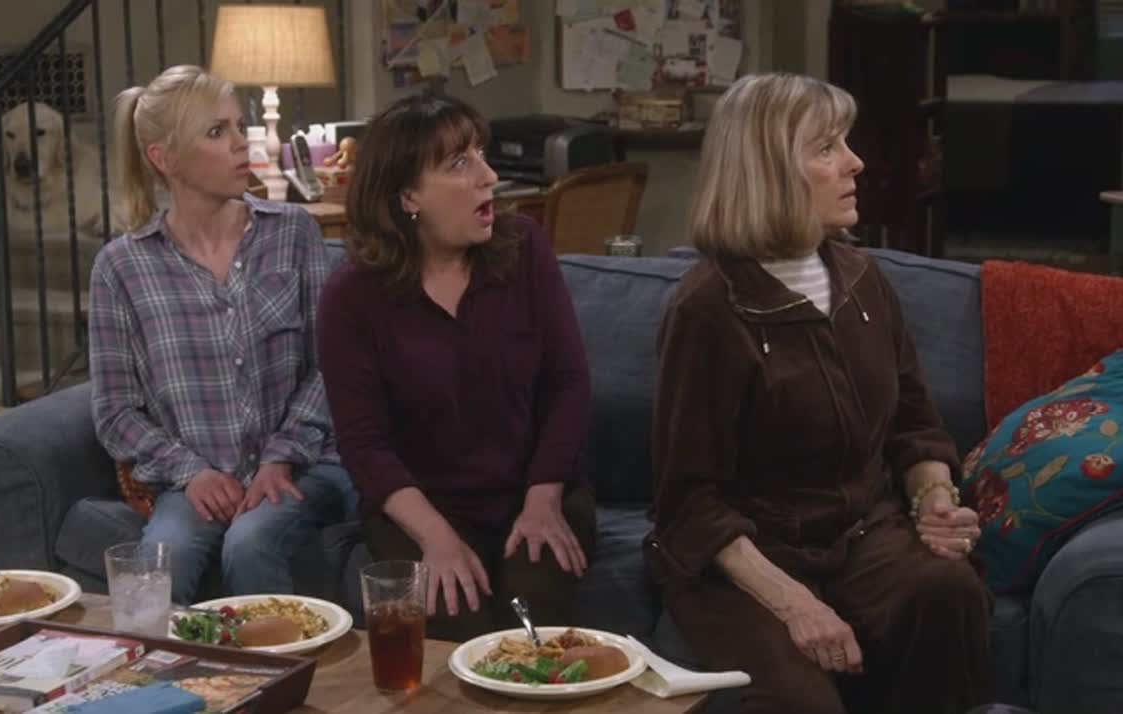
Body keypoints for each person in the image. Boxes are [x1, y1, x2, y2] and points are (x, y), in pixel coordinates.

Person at [647, 73, 992, 714]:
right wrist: (795, 605)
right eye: (827, 147)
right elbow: (688, 503)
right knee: (805, 704)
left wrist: (935, 501)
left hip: (864, 536)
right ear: (770, 171)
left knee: (951, 594)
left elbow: (916, 425)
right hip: (749, 560)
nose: (855, 162)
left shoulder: (863, 278)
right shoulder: (707, 310)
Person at [316, 93, 595, 642]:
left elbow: (568, 383)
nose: (489, 177)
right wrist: (437, 538)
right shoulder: (351, 298)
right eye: (461, 163)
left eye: (482, 156)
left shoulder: (525, 250)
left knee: (531, 623)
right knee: (452, 620)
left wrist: (544, 499)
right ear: (408, 196)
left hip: (533, 493)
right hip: (420, 507)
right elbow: (364, 445)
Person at [90, 65, 355, 605]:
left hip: (305, 467)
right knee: (158, 567)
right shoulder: (121, 267)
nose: (241, 143)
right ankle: (157, 664)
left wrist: (280, 456)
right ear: (164, 159)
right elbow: (116, 411)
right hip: (195, 481)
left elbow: (333, 366)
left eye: (239, 125)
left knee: (250, 543)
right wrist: (192, 473)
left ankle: (276, 662)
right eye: (217, 132)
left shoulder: (293, 233)